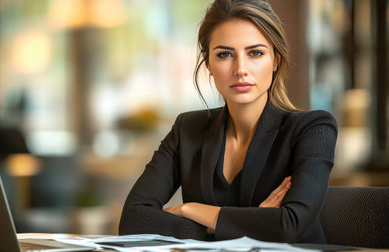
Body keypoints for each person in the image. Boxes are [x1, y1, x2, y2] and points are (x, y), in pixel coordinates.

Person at [119, 0, 337, 244]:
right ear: (208, 63)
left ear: (275, 60)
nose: (240, 69)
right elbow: (133, 220)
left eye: (255, 53)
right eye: (225, 55)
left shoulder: (313, 129)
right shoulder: (187, 129)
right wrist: (246, 224)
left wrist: (190, 210)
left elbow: (289, 225)